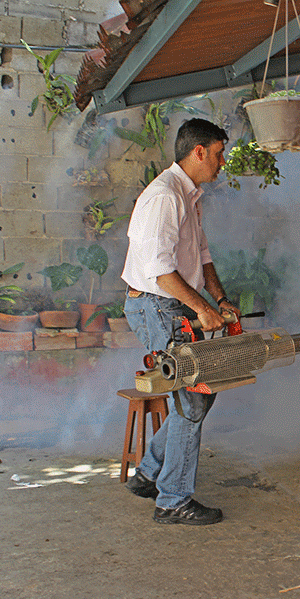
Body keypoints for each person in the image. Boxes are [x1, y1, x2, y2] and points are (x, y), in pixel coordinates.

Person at [120, 118, 240, 526]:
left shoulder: (190, 196)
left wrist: (219, 299)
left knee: (200, 396)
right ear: (199, 152)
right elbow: (159, 272)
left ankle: (150, 475)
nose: (222, 161)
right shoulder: (164, 197)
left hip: (169, 303)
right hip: (155, 305)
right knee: (192, 398)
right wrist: (202, 310)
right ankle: (172, 501)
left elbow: (202, 257)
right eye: (219, 153)